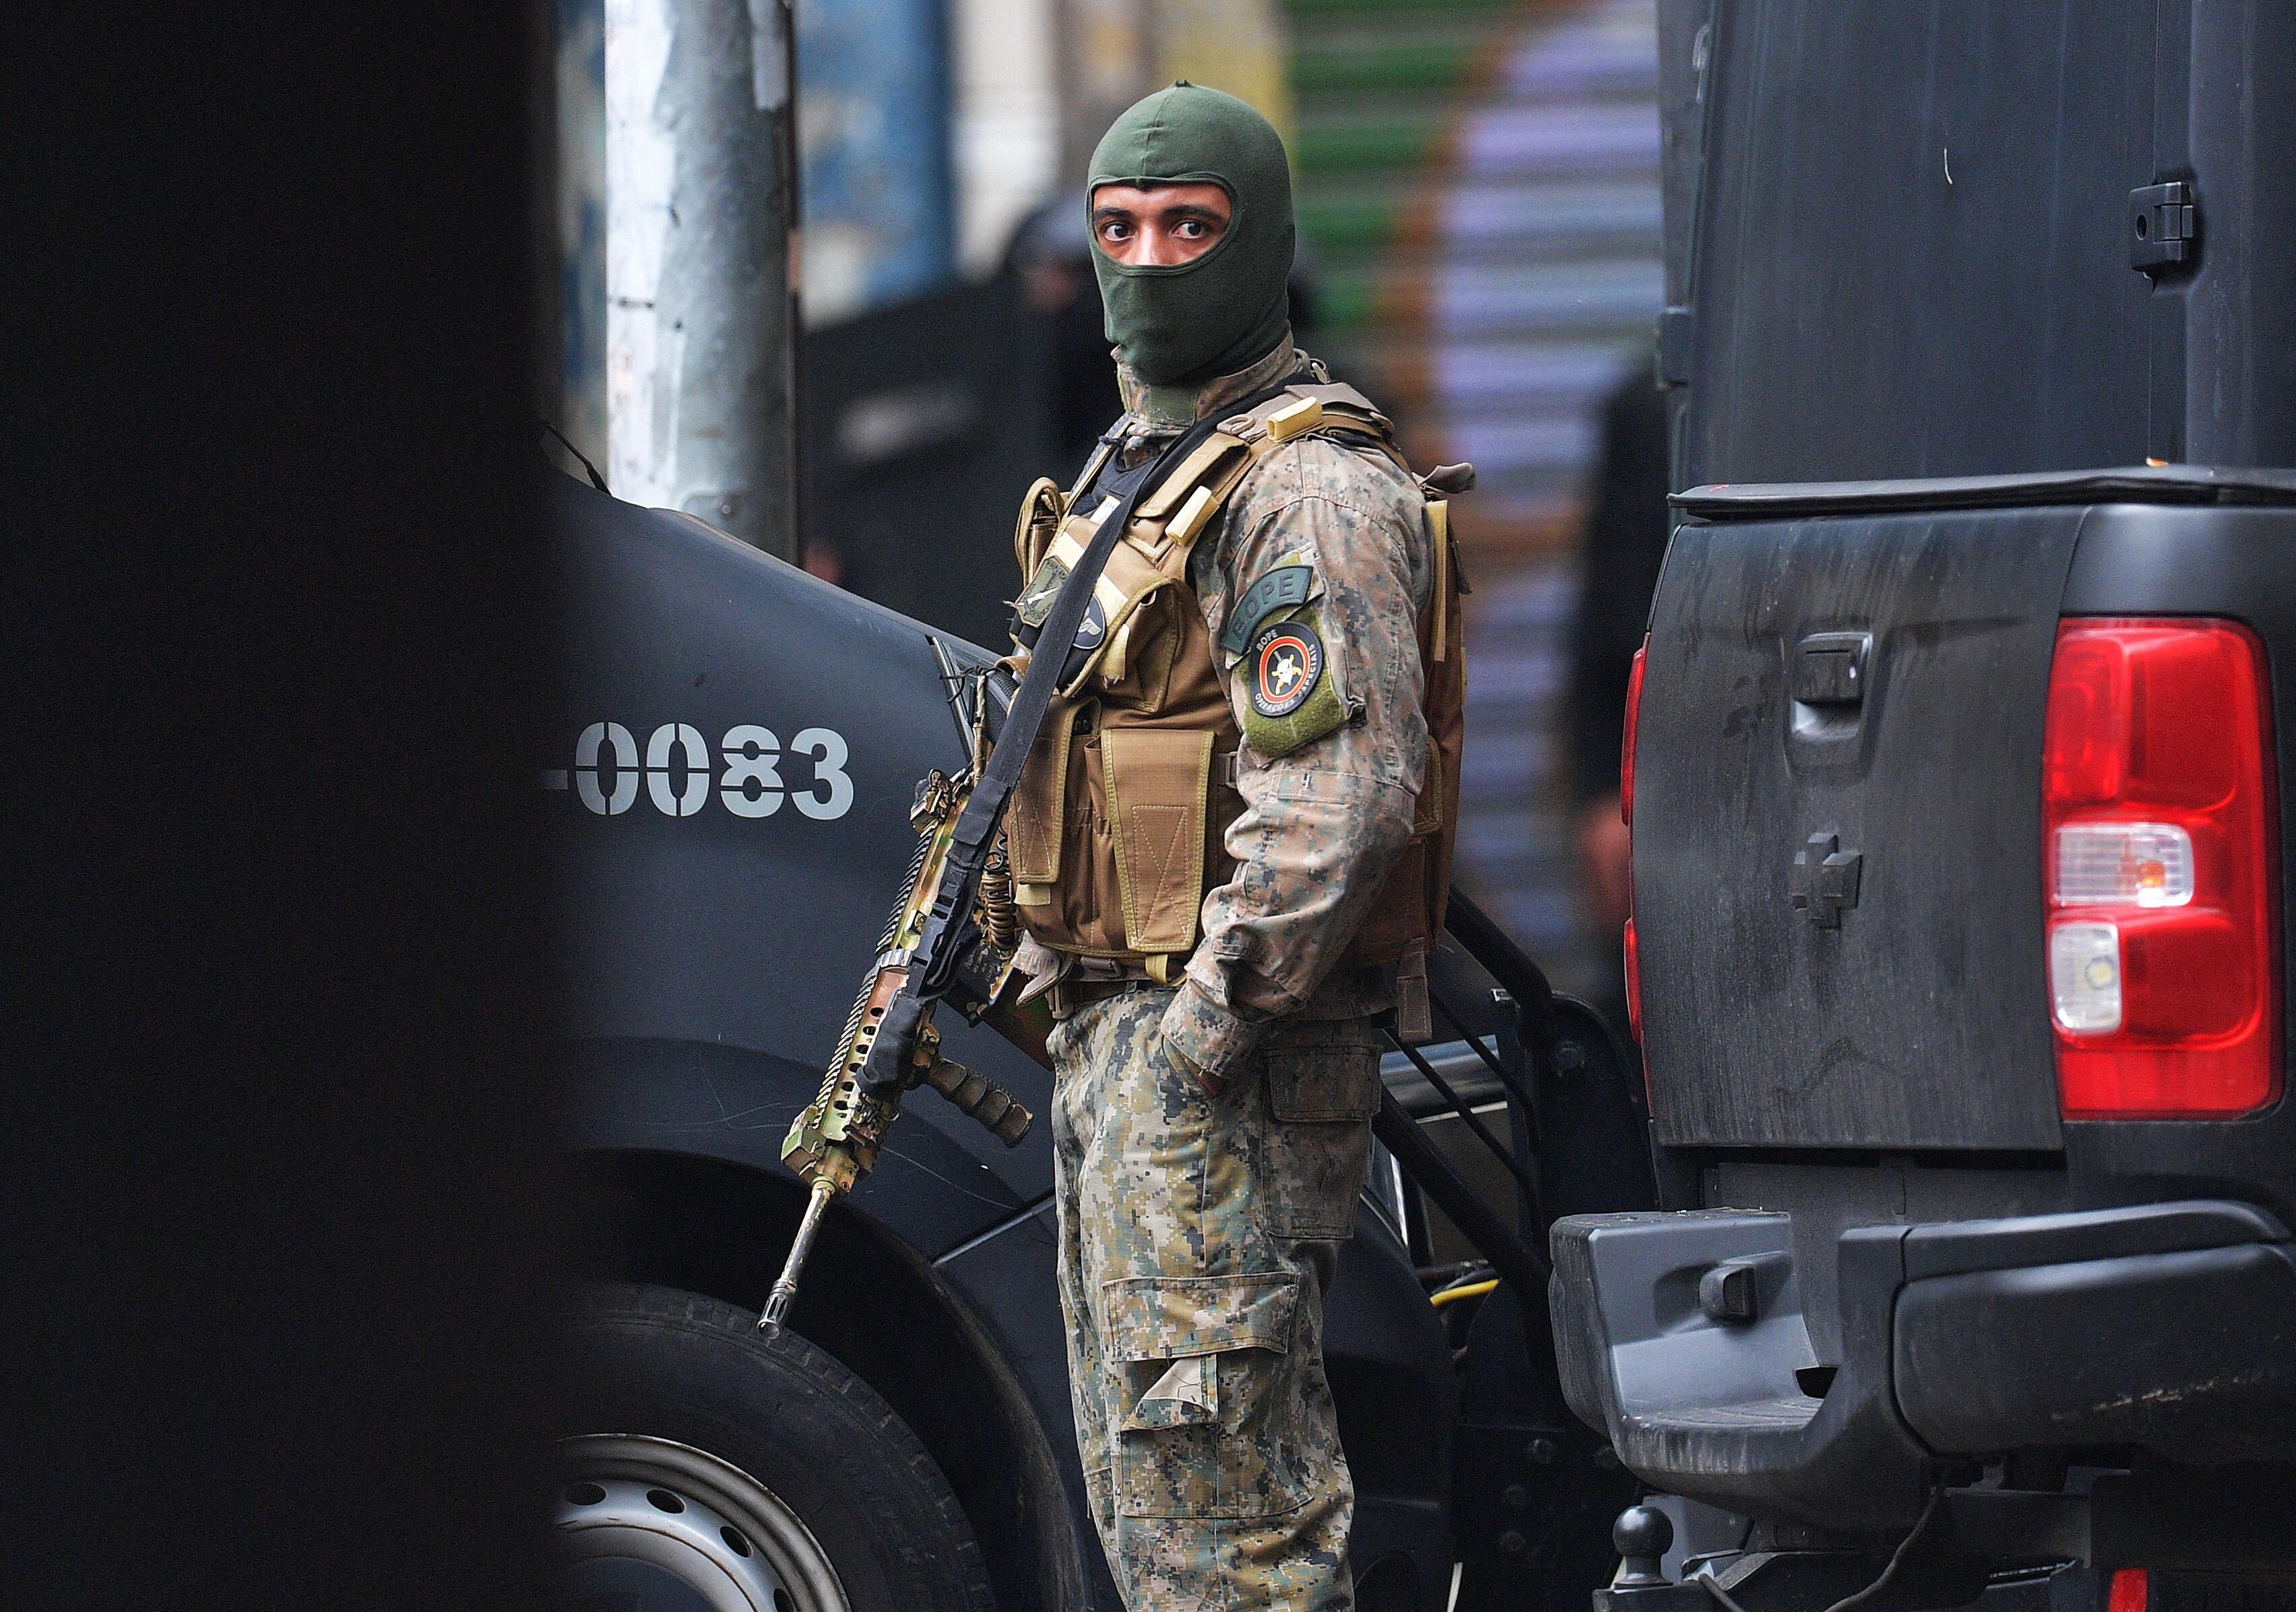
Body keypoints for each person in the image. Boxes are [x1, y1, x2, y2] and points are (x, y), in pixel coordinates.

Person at [994, 82, 1464, 1610]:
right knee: (1159, 1521)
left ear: (1257, 242)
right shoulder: (1147, 469)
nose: (1148, 261)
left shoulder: (1303, 486)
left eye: (1190, 226)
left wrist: (1196, 1037)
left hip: (1220, 1061)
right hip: (1127, 1046)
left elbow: (1342, 796)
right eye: (1118, 228)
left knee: (1232, 1541)